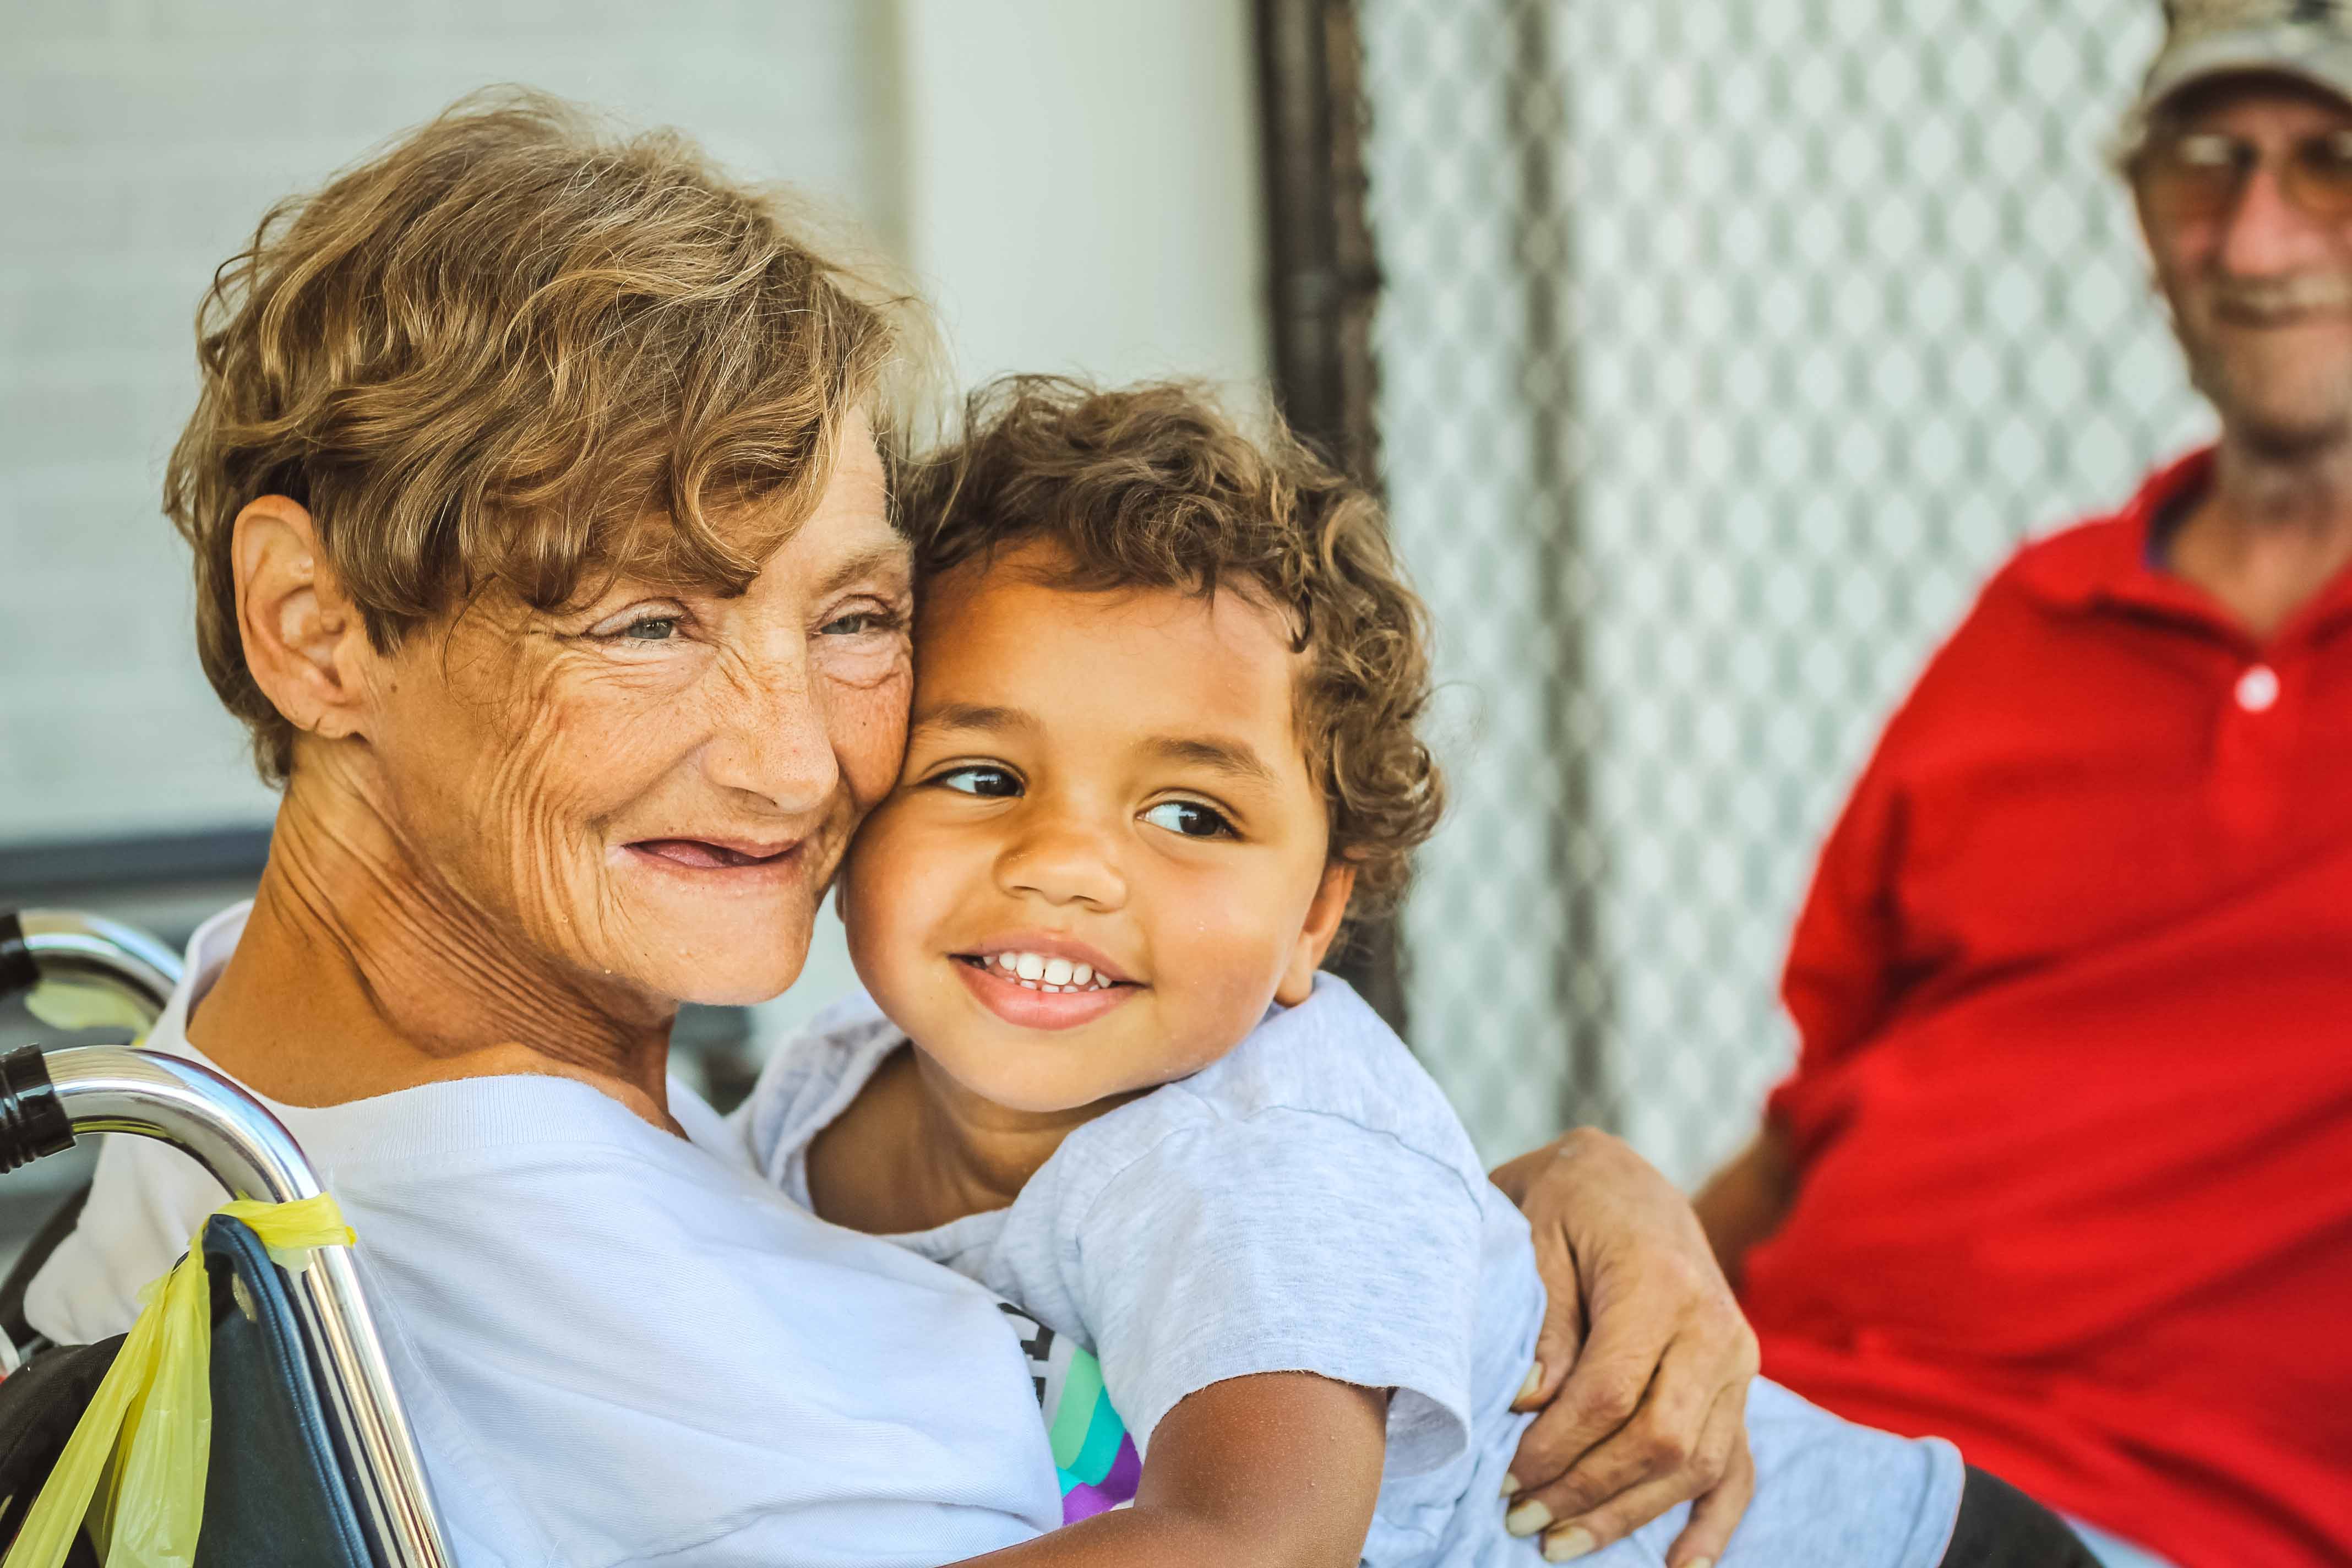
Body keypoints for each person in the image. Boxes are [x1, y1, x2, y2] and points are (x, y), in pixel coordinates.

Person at [20, 91, 1756, 1567]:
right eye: (647, 624)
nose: (795, 767)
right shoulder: (649, 1350)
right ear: (314, 629)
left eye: (853, 620)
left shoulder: (280, 1058)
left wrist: (1512, 1207)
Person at [743, 375, 2099, 1568]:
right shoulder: (823, 1093)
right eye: (980, 776)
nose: (1066, 864)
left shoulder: (1262, 1161)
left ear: (1316, 919)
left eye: (1191, 816)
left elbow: (1250, 1540)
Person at [1692, 6, 2352, 1566]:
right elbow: (1811, 1121)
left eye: (2334, 164)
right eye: (2205, 166)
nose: (2257, 238)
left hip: (2133, 1513)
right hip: (1766, 1428)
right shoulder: (2035, 617)